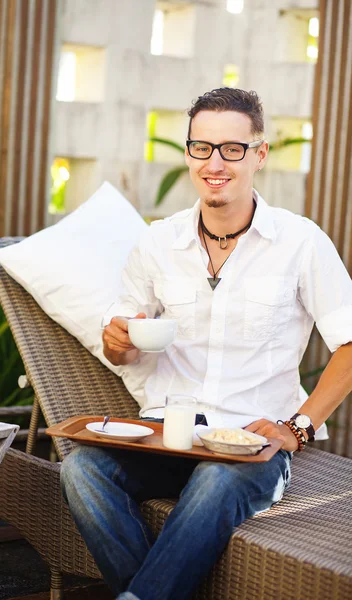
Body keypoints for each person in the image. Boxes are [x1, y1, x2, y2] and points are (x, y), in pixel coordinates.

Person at [60, 88, 352, 600]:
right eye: (201, 147)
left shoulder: (300, 242)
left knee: (216, 481)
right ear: (189, 151)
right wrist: (119, 343)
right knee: (82, 468)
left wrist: (298, 428)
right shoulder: (158, 242)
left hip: (247, 446)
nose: (214, 163)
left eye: (232, 149)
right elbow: (122, 345)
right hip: (164, 432)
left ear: (259, 155)